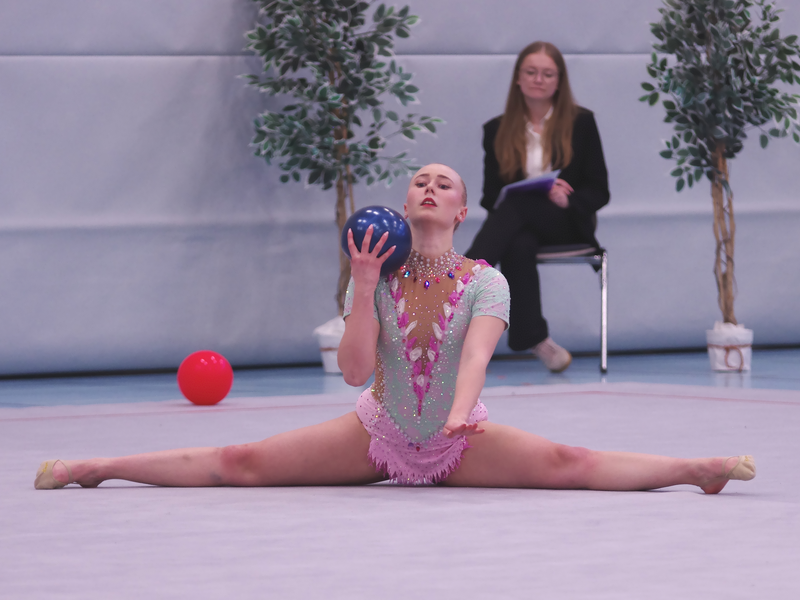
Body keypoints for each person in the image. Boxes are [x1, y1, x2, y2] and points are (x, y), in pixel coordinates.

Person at [34, 164, 754, 493]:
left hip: (457, 437)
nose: (429, 188)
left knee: (571, 462)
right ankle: (97, 468)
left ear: (462, 211)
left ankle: (695, 471)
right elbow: (353, 372)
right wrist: (363, 285)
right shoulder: (376, 277)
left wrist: (462, 412)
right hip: (376, 431)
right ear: (405, 204)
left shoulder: (486, 280)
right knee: (243, 460)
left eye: (444, 184)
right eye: (419, 182)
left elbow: (476, 356)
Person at [465, 41, 610, 373]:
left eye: (547, 74)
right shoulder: (496, 129)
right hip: (518, 226)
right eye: (531, 72)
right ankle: (537, 340)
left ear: (559, 81)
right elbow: (490, 197)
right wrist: (517, 192)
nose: (539, 80)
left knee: (518, 208)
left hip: (567, 222)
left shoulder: (582, 122)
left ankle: (463, 280)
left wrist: (568, 198)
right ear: (518, 78)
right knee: (518, 242)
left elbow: (599, 191)